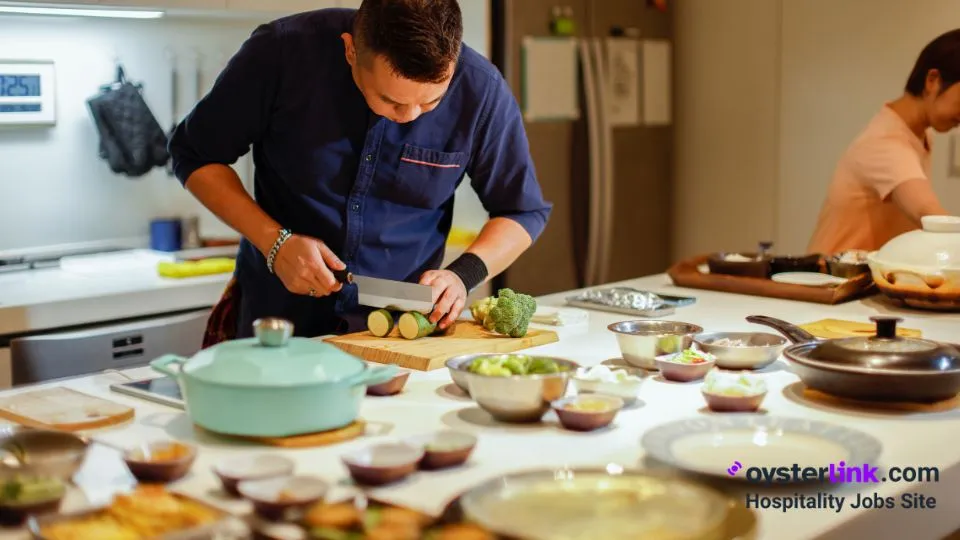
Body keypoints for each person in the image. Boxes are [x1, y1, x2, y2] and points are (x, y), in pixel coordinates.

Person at [169, 0, 552, 341]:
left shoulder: (481, 90)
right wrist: (274, 242)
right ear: (351, 50)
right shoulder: (282, 52)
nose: (410, 117)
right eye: (391, 100)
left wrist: (462, 275)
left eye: (431, 101)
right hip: (278, 324)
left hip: (399, 333)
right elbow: (195, 155)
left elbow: (523, 211)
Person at [807, 29, 958, 255]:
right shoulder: (886, 143)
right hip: (832, 282)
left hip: (862, 282)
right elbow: (931, 217)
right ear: (932, 81)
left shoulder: (921, 135)